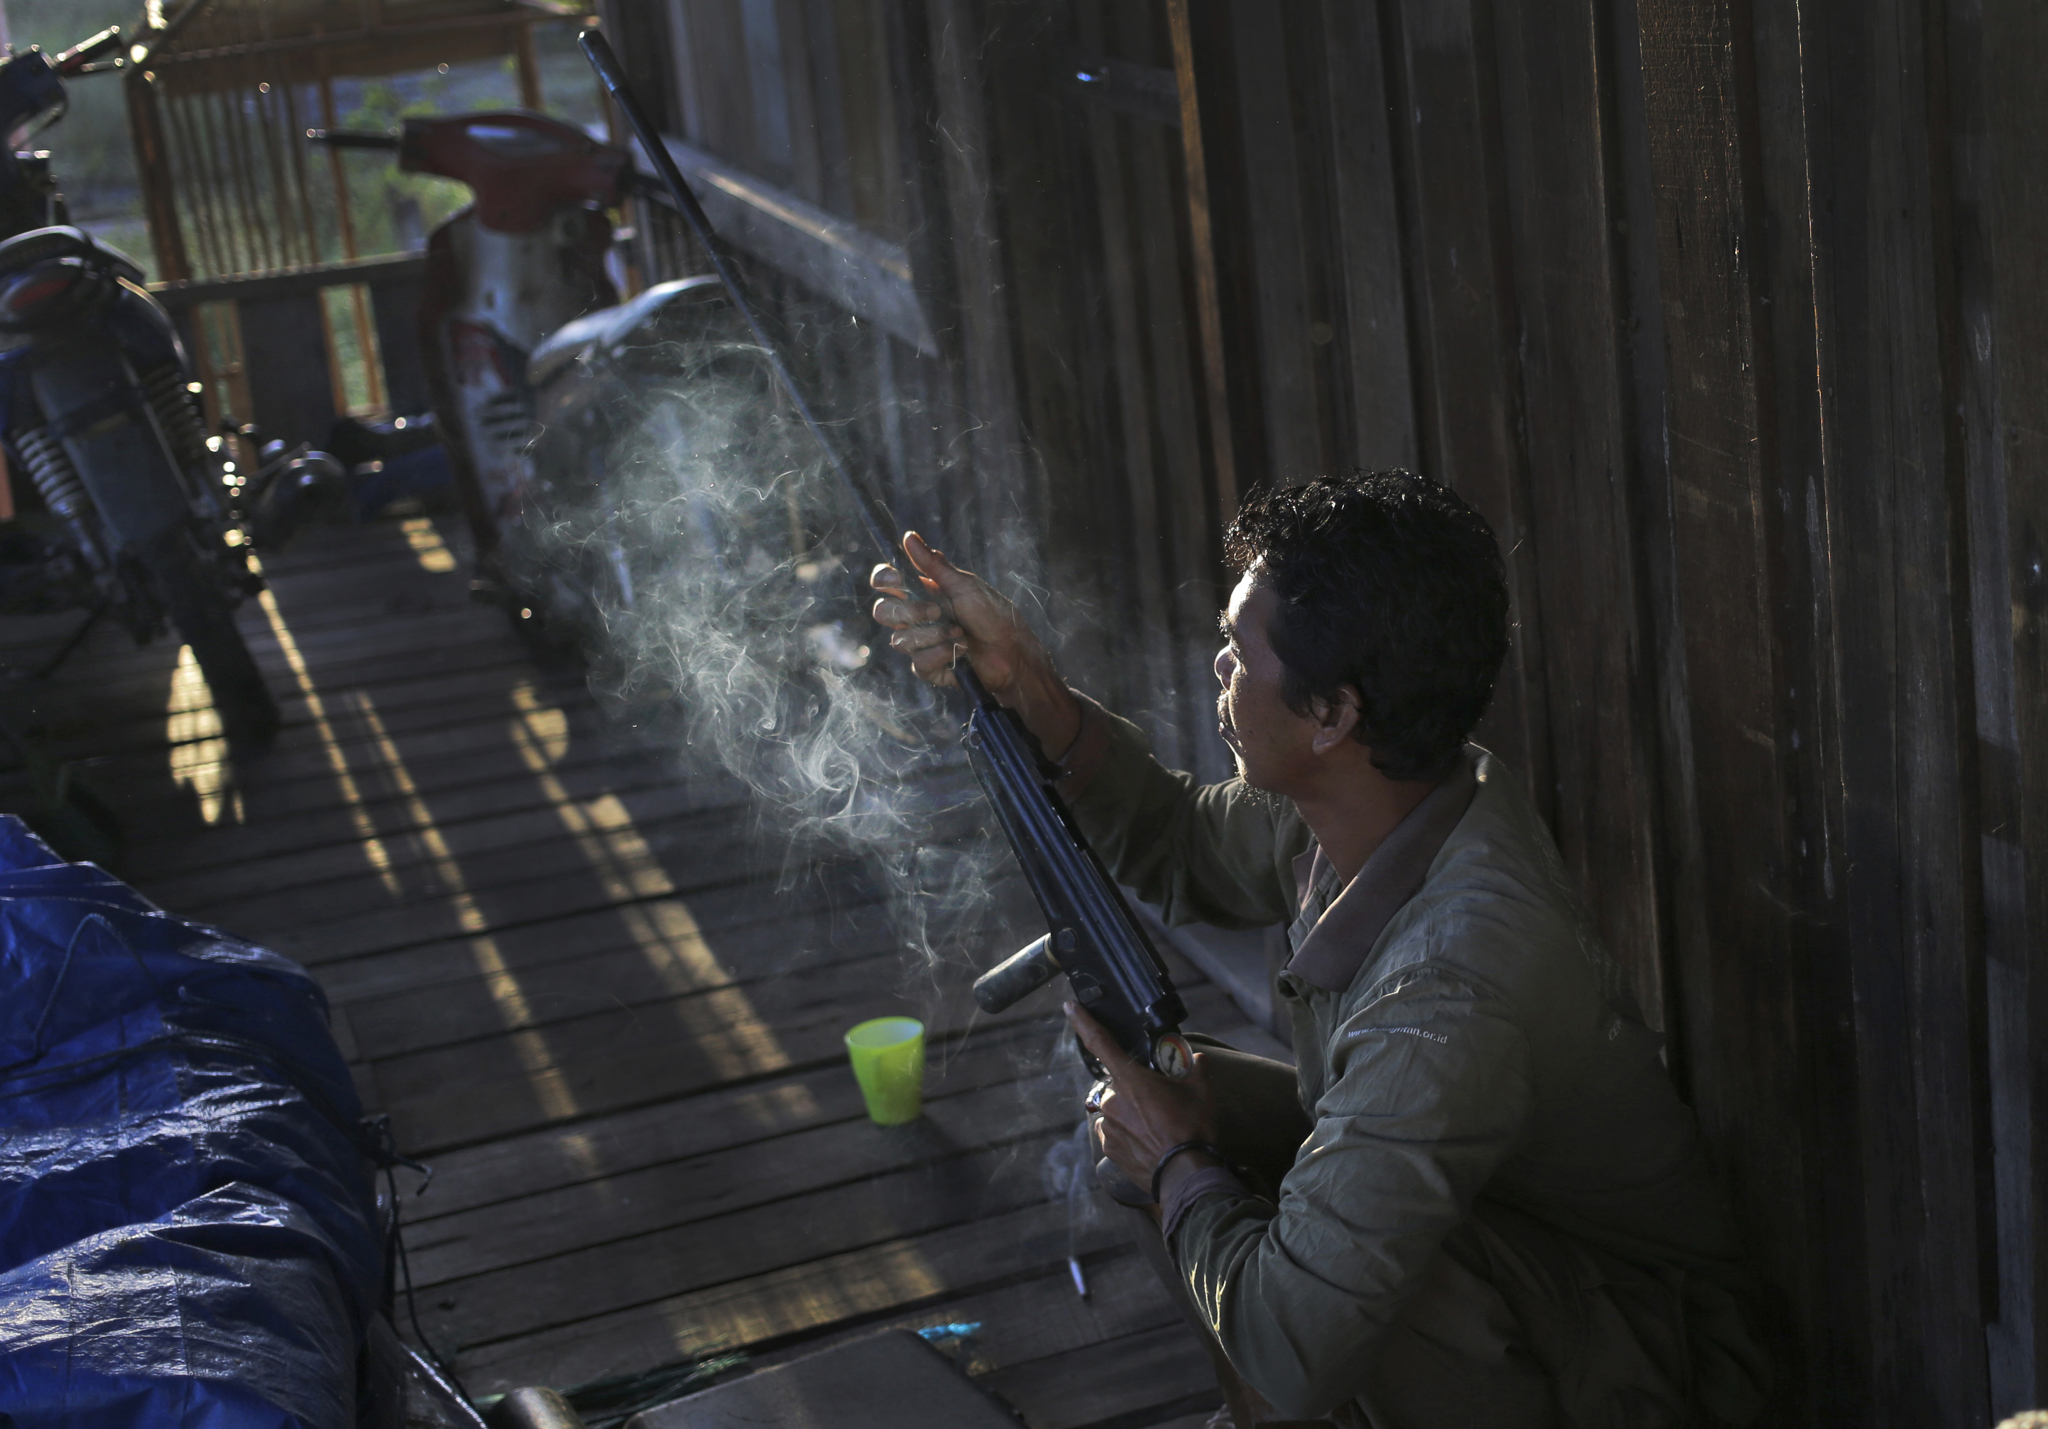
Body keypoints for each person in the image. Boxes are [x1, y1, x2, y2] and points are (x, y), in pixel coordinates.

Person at [869, 470, 1769, 1429]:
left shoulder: (1452, 985)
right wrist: (1025, 680)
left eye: (1236, 649)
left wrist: (1179, 1167)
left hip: (1655, 1364)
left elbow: (1299, 1344)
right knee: (1164, 1097)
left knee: (1287, 1245)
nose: (1219, 665)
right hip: (1522, 1250)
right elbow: (1178, 843)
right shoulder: (1388, 787)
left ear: (1332, 714)